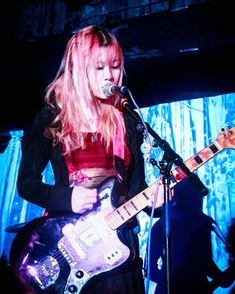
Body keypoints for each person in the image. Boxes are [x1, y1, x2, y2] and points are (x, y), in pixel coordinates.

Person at [10, 25, 161, 294]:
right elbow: (26, 183)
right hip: (69, 249)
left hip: (119, 255)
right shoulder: (52, 117)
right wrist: (66, 197)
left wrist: (155, 202)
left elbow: (136, 189)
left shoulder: (126, 119)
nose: (110, 75)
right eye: (99, 67)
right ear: (79, 68)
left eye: (115, 66)